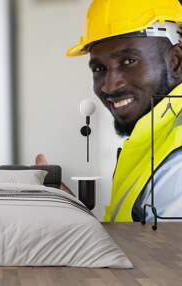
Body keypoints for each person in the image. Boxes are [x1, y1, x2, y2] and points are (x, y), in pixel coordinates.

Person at [63, 0, 182, 222]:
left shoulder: (178, 163)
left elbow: (160, 256)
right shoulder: (154, 141)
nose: (109, 86)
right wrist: (72, 215)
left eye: (129, 61)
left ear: (176, 61)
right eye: (99, 68)